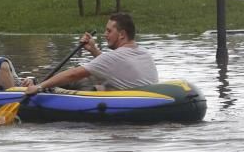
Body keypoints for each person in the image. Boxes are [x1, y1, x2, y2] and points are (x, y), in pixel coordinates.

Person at [25, 13, 157, 94]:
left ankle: (35, 84)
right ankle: (35, 82)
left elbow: (73, 74)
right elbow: (113, 65)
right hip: (144, 99)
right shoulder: (144, 52)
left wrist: (40, 86)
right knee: (97, 81)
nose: (105, 35)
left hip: (128, 102)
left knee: (82, 79)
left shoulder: (114, 57)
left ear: (122, 34)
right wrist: (93, 50)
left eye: (109, 31)